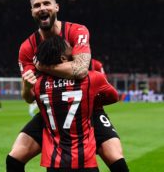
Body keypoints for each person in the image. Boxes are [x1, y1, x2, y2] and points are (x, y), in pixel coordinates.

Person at [6, 0, 128, 172]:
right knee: (14, 158)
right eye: (37, 5)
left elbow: (80, 70)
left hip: (89, 108)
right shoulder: (27, 48)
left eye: (47, 3)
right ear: (32, 11)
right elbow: (29, 97)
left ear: (56, 7)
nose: (42, 8)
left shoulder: (77, 31)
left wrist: (42, 67)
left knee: (115, 158)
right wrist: (25, 86)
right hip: (52, 111)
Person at [30, 35, 119, 171]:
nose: (74, 48)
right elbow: (114, 97)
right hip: (84, 160)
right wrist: (89, 102)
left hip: (55, 162)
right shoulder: (91, 78)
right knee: (117, 159)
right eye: (69, 47)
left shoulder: (39, 85)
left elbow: (30, 97)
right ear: (63, 58)